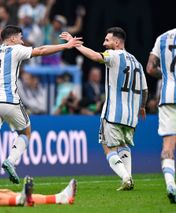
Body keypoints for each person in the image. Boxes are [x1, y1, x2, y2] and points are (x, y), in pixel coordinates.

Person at [0, 25, 82, 186]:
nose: (22, 41)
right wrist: (65, 46)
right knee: (25, 133)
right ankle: (11, 160)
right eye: (20, 37)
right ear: (12, 39)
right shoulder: (15, 50)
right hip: (9, 100)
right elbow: (40, 50)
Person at [60, 27, 148, 190]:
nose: (104, 43)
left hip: (113, 113)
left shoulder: (113, 55)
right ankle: (127, 178)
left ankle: (126, 178)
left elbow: (95, 56)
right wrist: (142, 106)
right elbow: (144, 90)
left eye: (107, 40)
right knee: (123, 146)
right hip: (131, 117)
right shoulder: (137, 62)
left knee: (107, 146)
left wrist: (75, 45)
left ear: (117, 42)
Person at [146, 28, 176, 203]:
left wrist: (166, 76)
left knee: (168, 146)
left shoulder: (162, 37)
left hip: (168, 96)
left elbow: (150, 68)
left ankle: (171, 183)